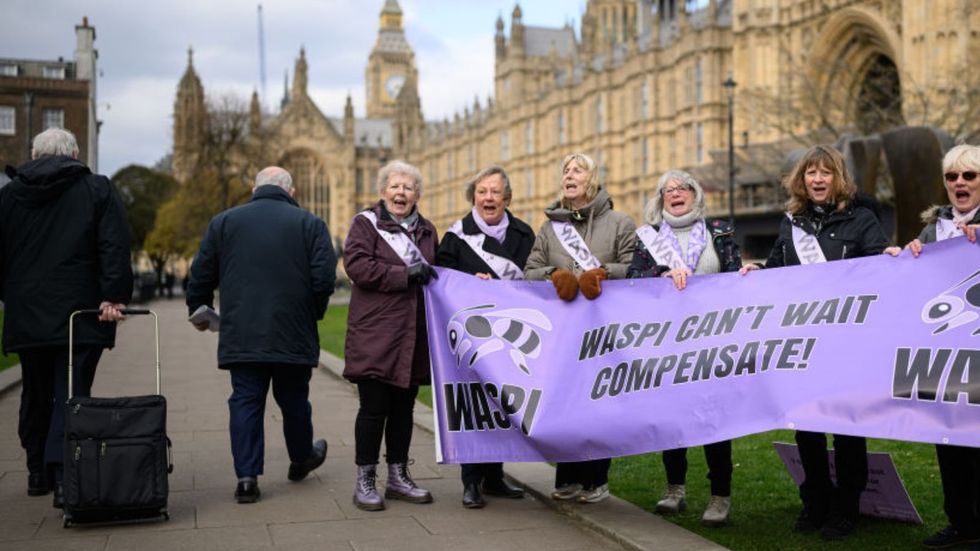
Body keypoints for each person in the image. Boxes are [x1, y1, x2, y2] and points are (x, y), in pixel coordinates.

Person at [741, 145, 888, 540]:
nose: (818, 180)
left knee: (846, 428)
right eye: (811, 173)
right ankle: (815, 501)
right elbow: (777, 269)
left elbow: (881, 272)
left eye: (825, 173)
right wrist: (755, 270)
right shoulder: (793, 223)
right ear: (801, 180)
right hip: (803, 343)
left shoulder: (862, 220)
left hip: (847, 343)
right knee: (806, 426)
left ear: (838, 178)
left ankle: (846, 507)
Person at [186, 166, 335, 504]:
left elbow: (201, 272)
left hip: (242, 330)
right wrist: (312, 311)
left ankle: (247, 478)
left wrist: (199, 308)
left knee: (246, 400)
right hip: (292, 330)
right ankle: (301, 459)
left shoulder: (224, 222)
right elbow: (324, 278)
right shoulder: (311, 224)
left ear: (254, 189)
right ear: (291, 192)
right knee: (294, 399)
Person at [0, 128, 132, 507]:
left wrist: (12, 295)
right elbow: (114, 245)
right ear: (75, 154)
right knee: (72, 393)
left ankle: (36, 470)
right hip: (81, 313)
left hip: (27, 314)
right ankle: (63, 474)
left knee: (36, 391)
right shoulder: (96, 189)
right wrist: (114, 296)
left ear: (33, 153)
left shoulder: (8, 197)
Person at [626, 169, 740, 525]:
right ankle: (675, 488)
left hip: (713, 340)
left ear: (695, 194)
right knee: (673, 417)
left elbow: (736, 275)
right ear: (661, 200)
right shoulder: (647, 240)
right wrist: (661, 278)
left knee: (714, 419)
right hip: (669, 342)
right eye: (667, 190)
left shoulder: (719, 232)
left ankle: (720, 495)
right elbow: (632, 280)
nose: (675, 194)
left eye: (682, 188)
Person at [524, 153, 636, 504]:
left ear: (593, 180)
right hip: (563, 331)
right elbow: (530, 269)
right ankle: (568, 475)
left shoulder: (619, 222)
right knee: (565, 402)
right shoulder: (548, 228)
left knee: (599, 401)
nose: (569, 175)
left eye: (577, 170)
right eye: (565, 171)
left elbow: (634, 267)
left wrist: (603, 272)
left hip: (605, 329)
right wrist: (553, 276)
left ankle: (596, 479)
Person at [884, 144, 980, 549]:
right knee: (948, 440)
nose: (960, 183)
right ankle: (961, 523)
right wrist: (900, 256)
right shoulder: (934, 229)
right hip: (941, 356)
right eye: (952, 177)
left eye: (969, 176)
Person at [435, 165, 534, 509]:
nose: (488, 198)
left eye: (494, 192)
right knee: (474, 404)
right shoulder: (455, 236)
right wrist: (467, 280)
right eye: (482, 192)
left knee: (503, 405)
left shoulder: (524, 234)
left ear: (507, 197)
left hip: (511, 334)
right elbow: (440, 278)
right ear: (473, 197)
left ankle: (494, 476)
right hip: (472, 336)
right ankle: (471, 480)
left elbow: (534, 279)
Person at [343, 160, 439, 511]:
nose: (401, 193)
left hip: (412, 335)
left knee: (403, 409)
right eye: (395, 186)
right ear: (383, 191)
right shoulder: (365, 224)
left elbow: (435, 274)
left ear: (417, 194)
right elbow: (357, 266)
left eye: (408, 187)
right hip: (375, 333)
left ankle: (398, 476)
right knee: (373, 409)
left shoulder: (428, 230)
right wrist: (405, 274)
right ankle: (365, 479)